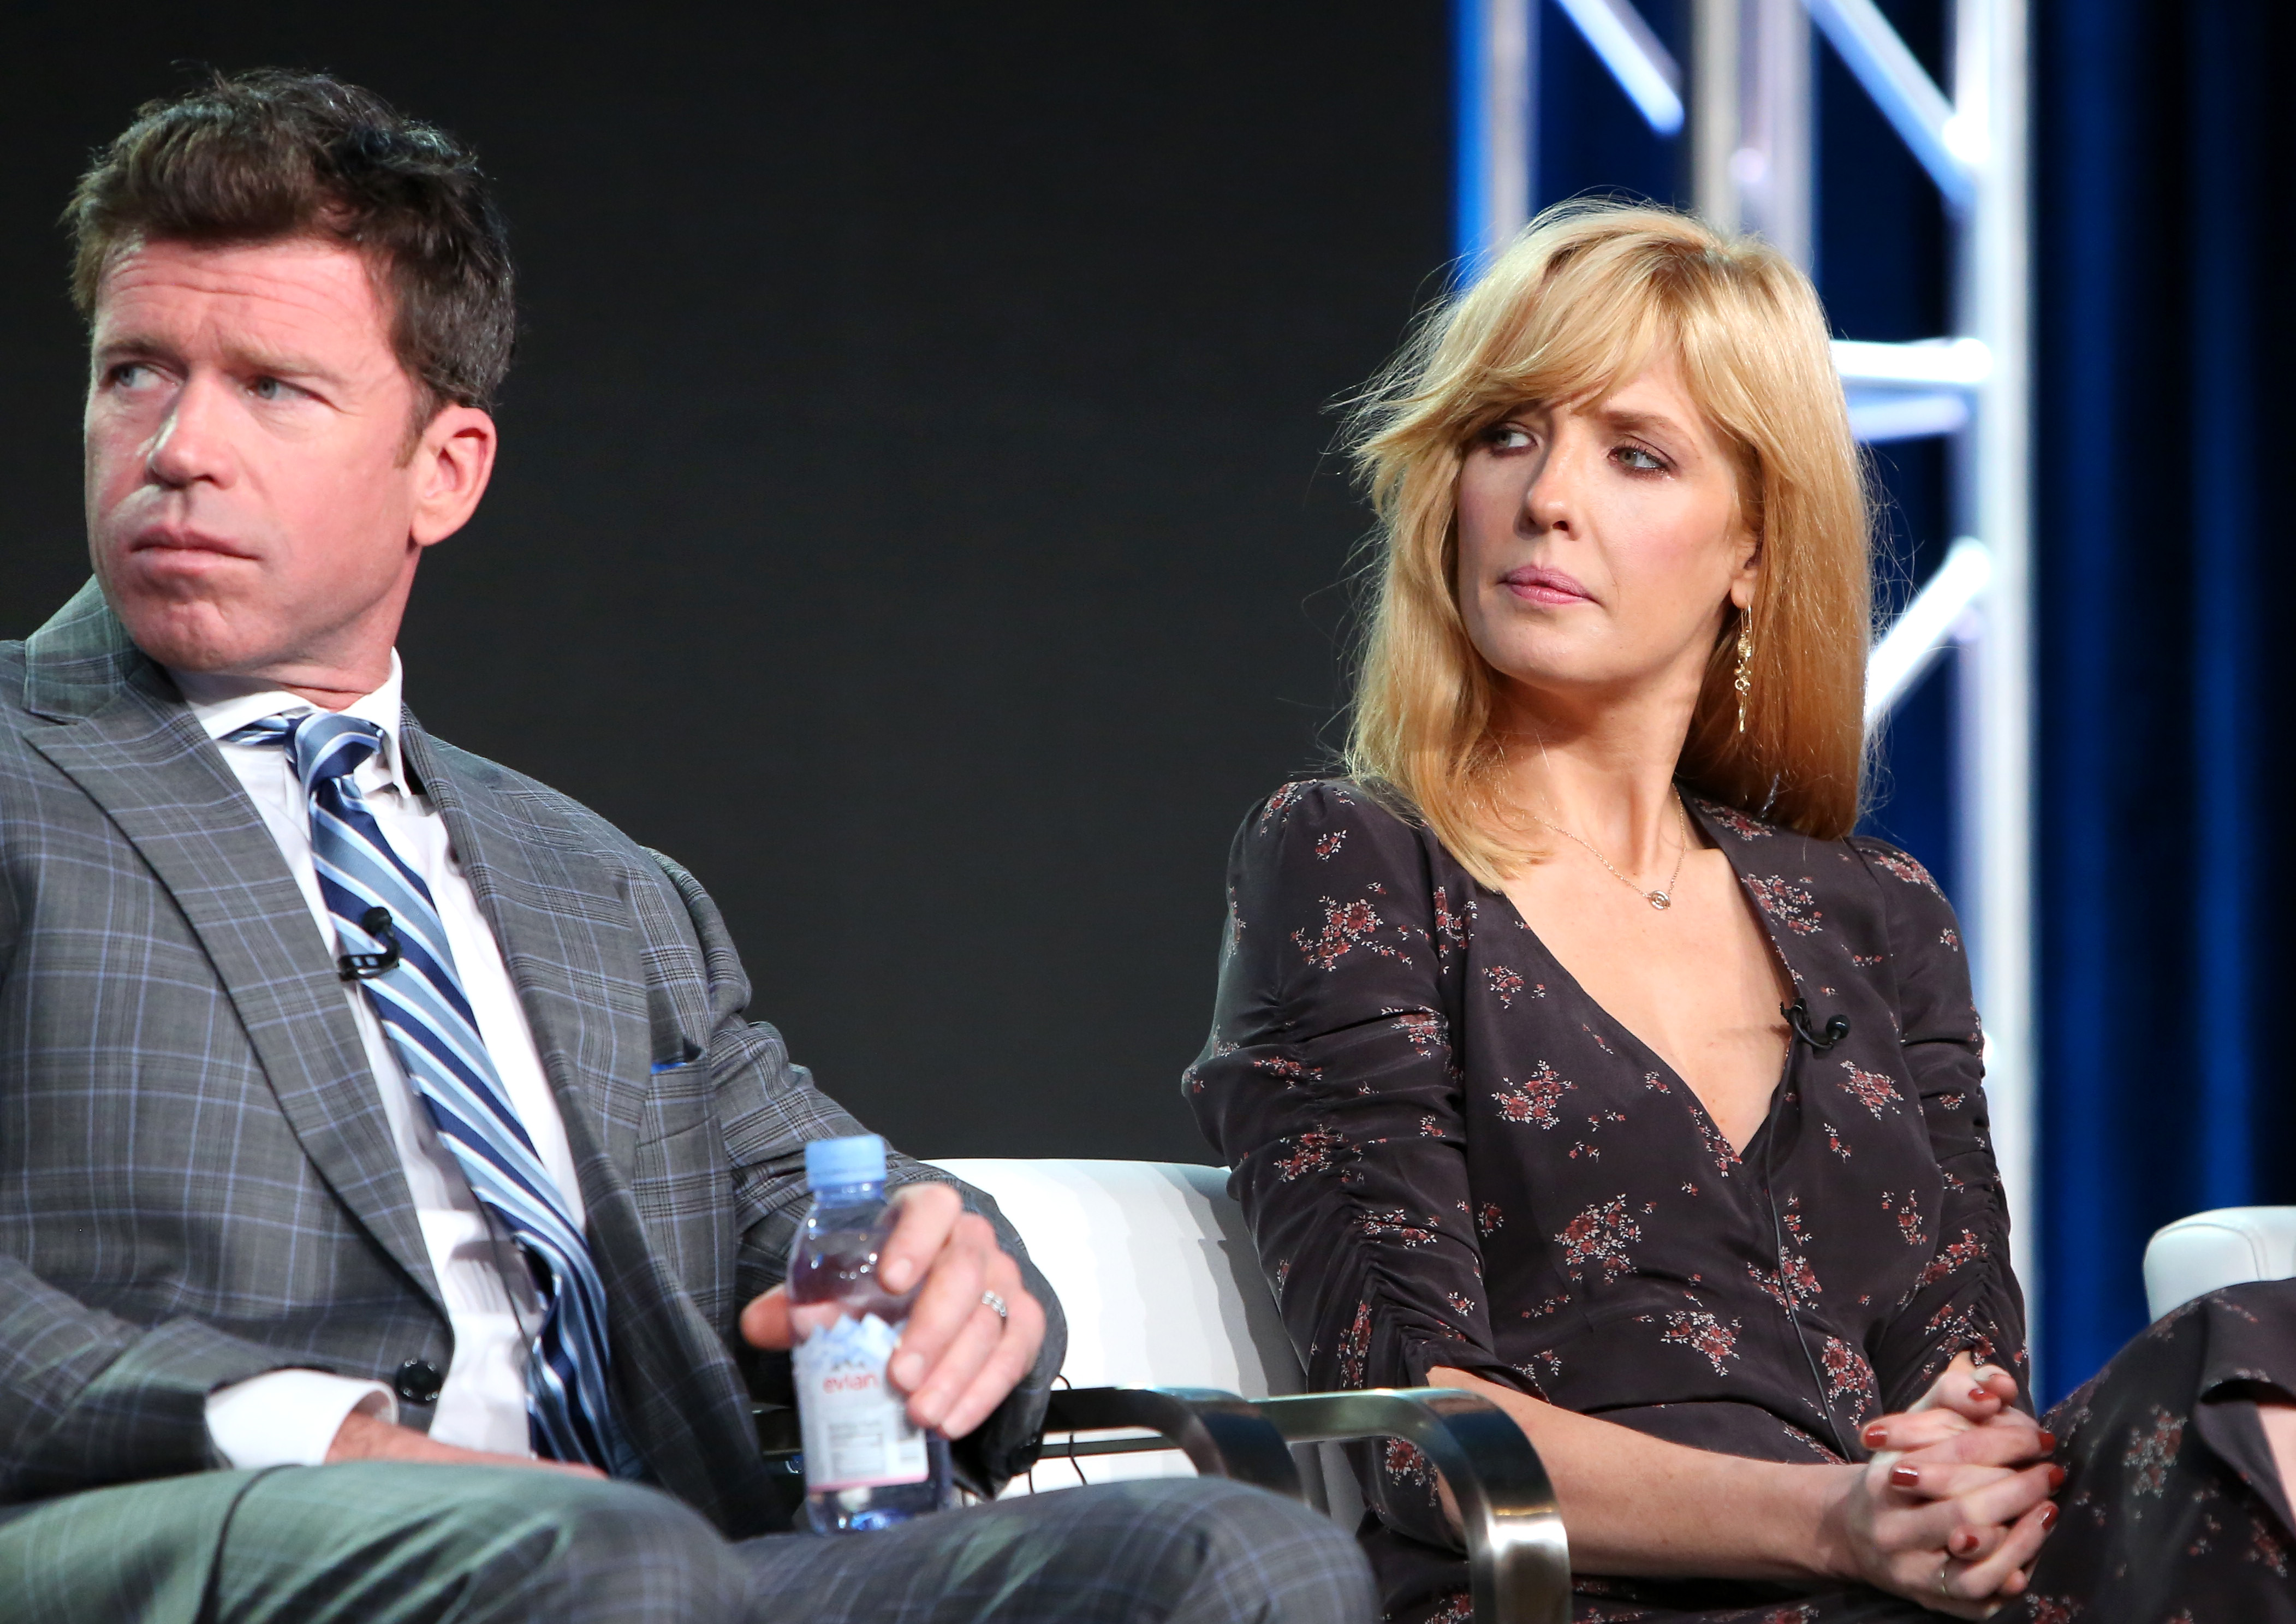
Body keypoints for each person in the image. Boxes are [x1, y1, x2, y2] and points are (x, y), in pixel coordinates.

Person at [0, 70, 1375, 1624]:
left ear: (442, 470)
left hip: (670, 1554)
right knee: (617, 1562)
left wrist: (959, 1274)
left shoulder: (601, 888)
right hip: (165, 1523)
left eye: (271, 387)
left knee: (1242, 1559)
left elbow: (826, 1195)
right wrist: (336, 1438)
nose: (179, 445)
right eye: (135, 374)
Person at [1187, 200, 2296, 1622]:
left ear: (1754, 554)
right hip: (1599, 1597)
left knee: (2258, 1348)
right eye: (1507, 432)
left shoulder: (1878, 917)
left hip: (1917, 1590)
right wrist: (1831, 1522)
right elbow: (1417, 1426)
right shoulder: (1353, 862)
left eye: (1635, 454)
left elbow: (1963, 1376)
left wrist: (1957, 1473)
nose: (1547, 499)